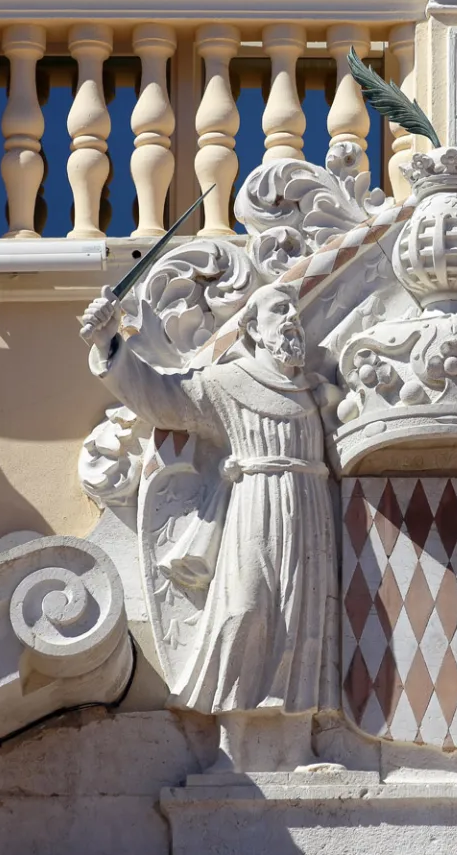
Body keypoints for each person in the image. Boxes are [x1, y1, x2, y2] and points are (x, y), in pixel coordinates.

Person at [80, 282, 336, 771]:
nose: (291, 322)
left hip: (309, 512)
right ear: (252, 329)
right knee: (246, 610)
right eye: (279, 311)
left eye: (295, 315)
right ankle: (231, 748)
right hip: (257, 505)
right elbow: (164, 400)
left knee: (303, 623)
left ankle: (298, 746)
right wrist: (108, 343)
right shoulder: (230, 381)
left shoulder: (313, 392)